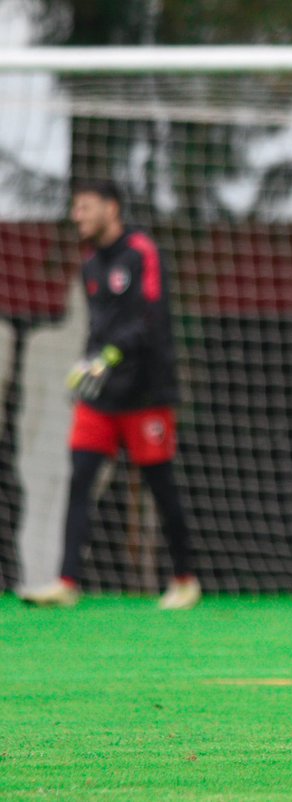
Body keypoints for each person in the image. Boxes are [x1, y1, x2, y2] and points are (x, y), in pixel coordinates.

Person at [21, 178, 200, 610]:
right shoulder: (89, 267)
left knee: (160, 485)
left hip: (145, 393)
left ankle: (185, 580)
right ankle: (66, 582)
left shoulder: (142, 253)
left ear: (111, 208)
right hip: (101, 396)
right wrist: (88, 364)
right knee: (79, 478)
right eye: (75, 208)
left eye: (85, 207)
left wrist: (111, 355)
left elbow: (150, 317)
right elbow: (98, 329)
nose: (76, 216)